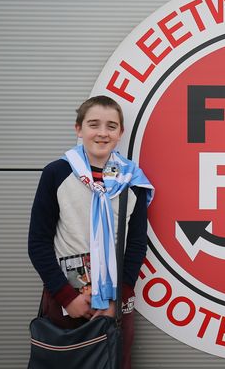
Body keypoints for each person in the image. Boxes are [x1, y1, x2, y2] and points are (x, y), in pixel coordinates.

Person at [28, 95, 154, 369]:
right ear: (78, 129)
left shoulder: (133, 180)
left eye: (111, 126)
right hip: (65, 301)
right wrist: (67, 297)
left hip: (114, 305)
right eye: (93, 124)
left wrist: (117, 300)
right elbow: (38, 243)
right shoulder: (57, 173)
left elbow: (136, 246)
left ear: (120, 133)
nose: (102, 133)